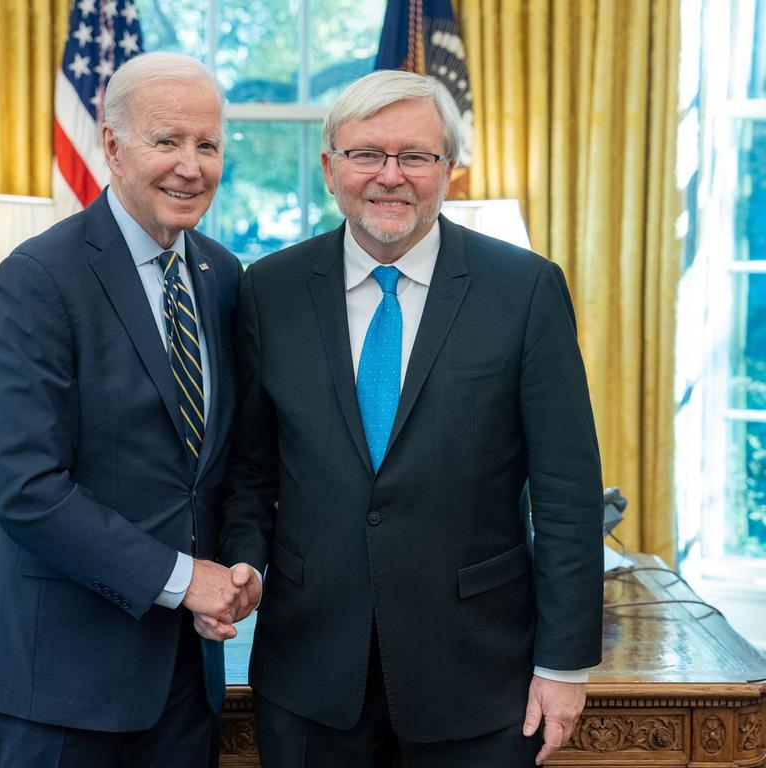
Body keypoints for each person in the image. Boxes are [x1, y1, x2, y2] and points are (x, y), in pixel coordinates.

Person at [205, 69, 604, 767]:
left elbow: (567, 494)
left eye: (415, 156)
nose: (390, 176)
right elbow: (252, 468)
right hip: (309, 676)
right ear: (331, 168)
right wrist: (244, 562)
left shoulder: (525, 290)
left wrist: (565, 667)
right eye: (367, 155)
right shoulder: (269, 290)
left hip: (480, 677)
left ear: (448, 169)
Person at [0, 52, 259, 768]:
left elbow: (235, 464)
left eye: (208, 144)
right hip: (63, 688)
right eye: (168, 141)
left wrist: (246, 563)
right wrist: (190, 580)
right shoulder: (38, 278)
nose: (191, 166)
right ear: (113, 143)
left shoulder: (224, 278)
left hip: (189, 684)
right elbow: (26, 490)